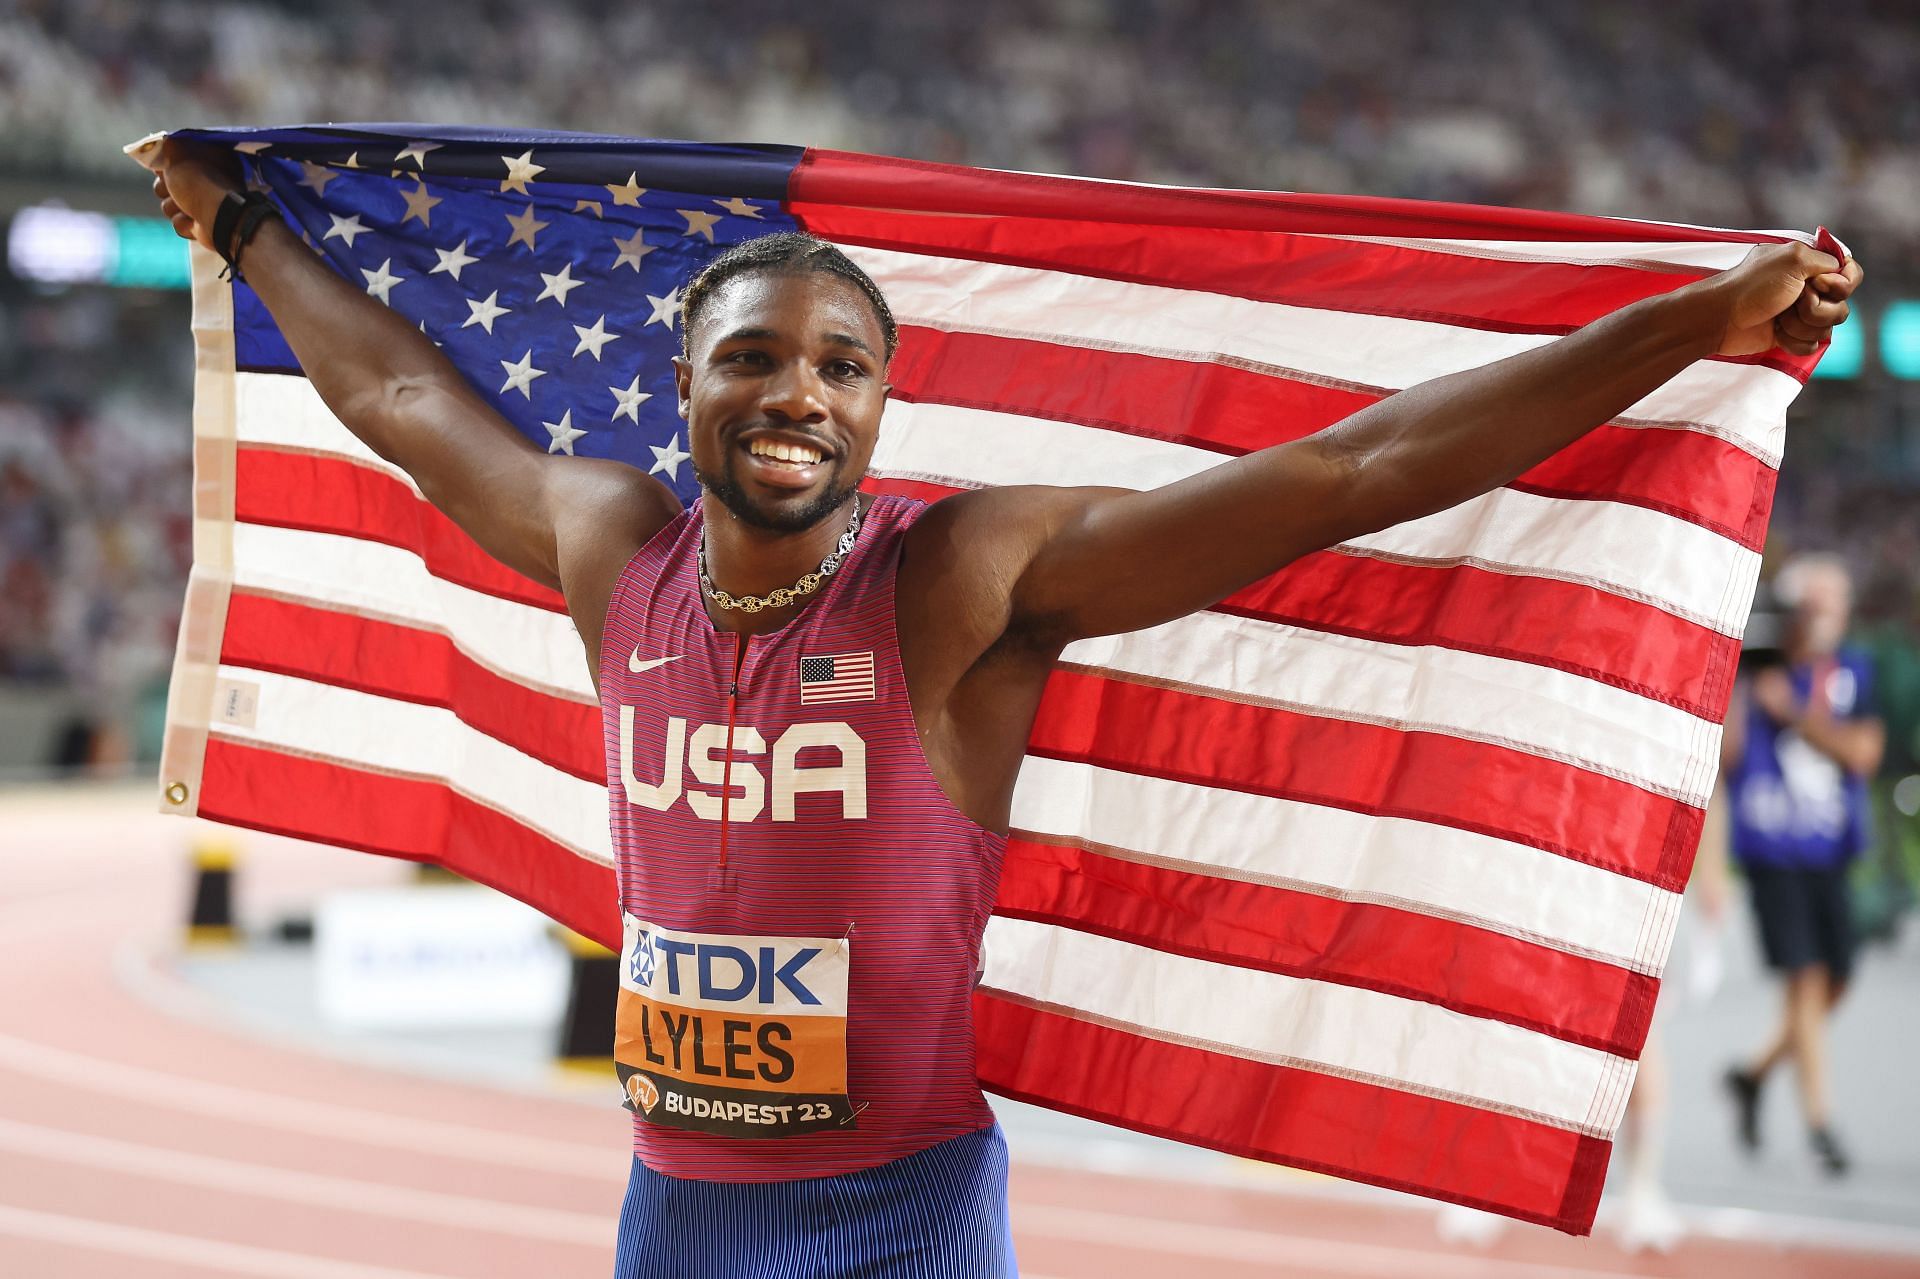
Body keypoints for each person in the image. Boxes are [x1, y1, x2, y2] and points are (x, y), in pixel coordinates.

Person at [147, 139, 1861, 1277]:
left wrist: (1687, 323)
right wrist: (239, 227)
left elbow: (1356, 465)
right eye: (753, 356)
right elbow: (388, 390)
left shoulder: (962, 581)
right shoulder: (612, 546)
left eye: (839, 364)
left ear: (885, 405)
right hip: (673, 1212)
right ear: (687, 383)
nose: (794, 392)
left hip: (907, 1216)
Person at [1720, 553, 1884, 1175]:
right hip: (1771, 847)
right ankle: (1821, 1124)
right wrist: (1744, 683)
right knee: (1807, 979)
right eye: (1812, 603)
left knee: (1835, 980)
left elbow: (1864, 754)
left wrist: (1794, 714)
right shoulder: (1755, 665)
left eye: (1833, 603)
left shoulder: (1852, 672)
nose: (1823, 617)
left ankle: (1753, 1075)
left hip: (1831, 849)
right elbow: (1726, 759)